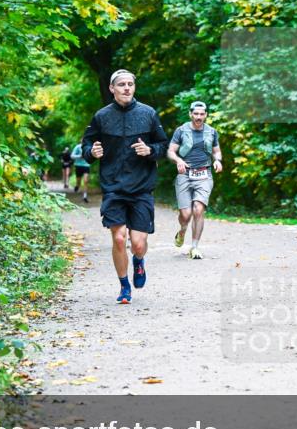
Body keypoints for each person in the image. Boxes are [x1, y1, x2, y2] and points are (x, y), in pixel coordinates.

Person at [81, 69, 169, 304]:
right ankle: (124, 286)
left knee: (138, 244)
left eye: (130, 84)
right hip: (113, 187)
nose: (127, 88)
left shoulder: (148, 114)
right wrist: (92, 152)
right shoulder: (101, 116)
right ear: (112, 89)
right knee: (119, 239)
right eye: (122, 84)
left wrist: (150, 150)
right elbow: (86, 145)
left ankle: (138, 262)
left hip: (141, 187)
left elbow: (163, 145)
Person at [167, 100, 222, 259]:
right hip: (185, 174)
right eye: (196, 114)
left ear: (206, 115)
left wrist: (217, 160)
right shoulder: (181, 130)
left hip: (204, 174)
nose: (198, 117)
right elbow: (171, 151)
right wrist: (178, 161)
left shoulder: (211, 132)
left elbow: (216, 151)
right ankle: (182, 230)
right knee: (185, 214)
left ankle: (195, 247)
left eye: (202, 114)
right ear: (191, 114)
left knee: (198, 209)